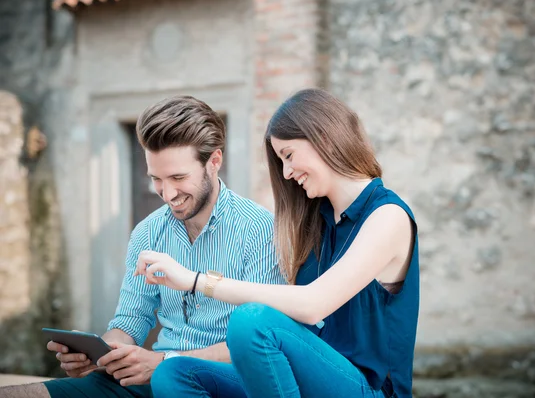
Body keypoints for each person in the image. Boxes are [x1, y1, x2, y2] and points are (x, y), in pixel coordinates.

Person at [142, 88, 420, 398]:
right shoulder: (319, 221)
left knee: (251, 322)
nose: (286, 173)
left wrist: (195, 281)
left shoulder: (388, 216)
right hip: (309, 380)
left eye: (288, 155)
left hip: (368, 391)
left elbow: (313, 305)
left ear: (323, 138)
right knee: (175, 373)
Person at [0, 96, 284, 398]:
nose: (167, 193)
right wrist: (103, 354)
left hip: (231, 382)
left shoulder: (259, 230)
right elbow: (128, 323)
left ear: (214, 162)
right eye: (156, 179)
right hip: (157, 379)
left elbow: (262, 342)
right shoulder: (147, 233)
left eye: (178, 177)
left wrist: (163, 362)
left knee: (170, 379)